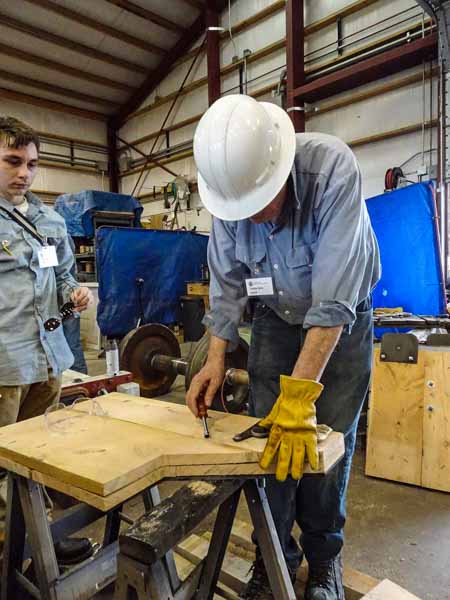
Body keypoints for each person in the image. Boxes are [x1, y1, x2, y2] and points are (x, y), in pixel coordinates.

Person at [186, 95, 380, 600]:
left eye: (259, 205)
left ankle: (323, 562)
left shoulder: (332, 170)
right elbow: (227, 283)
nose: (249, 219)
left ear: (282, 166)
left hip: (341, 319)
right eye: (239, 211)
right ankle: (273, 557)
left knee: (324, 445)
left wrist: (300, 398)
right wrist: (214, 359)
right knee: (269, 444)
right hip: (275, 316)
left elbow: (333, 301)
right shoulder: (229, 198)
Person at [0, 116, 93, 561]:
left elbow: (62, 278)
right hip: (5, 366)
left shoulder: (49, 220)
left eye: (32, 164)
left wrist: (73, 295)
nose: (24, 173)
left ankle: (39, 540)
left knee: (38, 456)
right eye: (12, 161)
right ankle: (9, 558)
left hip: (49, 359)